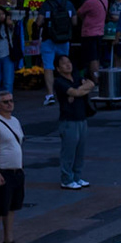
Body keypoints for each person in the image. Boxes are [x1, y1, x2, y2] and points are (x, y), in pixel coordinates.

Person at [0, 93, 25, 243]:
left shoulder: (15, 121)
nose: (9, 104)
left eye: (11, 100)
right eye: (5, 102)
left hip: (17, 171)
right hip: (3, 171)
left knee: (11, 207)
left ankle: (8, 239)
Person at [51, 53, 94, 188]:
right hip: (69, 120)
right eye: (64, 63)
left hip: (82, 117)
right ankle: (66, 179)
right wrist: (80, 90)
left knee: (80, 150)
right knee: (69, 151)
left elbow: (91, 83)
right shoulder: (59, 82)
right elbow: (74, 93)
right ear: (58, 68)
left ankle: (77, 176)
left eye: (69, 62)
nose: (68, 65)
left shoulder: (76, 76)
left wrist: (79, 90)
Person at [40, 0, 74, 105]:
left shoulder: (46, 5)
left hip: (49, 39)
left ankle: (50, 95)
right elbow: (74, 21)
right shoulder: (68, 4)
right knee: (65, 64)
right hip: (64, 39)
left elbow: (39, 21)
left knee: (48, 66)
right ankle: (67, 90)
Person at [75, 0, 108, 76]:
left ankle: (95, 80)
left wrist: (83, 19)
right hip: (100, 32)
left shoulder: (90, 2)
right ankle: (96, 78)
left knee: (92, 58)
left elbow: (79, 12)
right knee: (96, 57)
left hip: (89, 33)